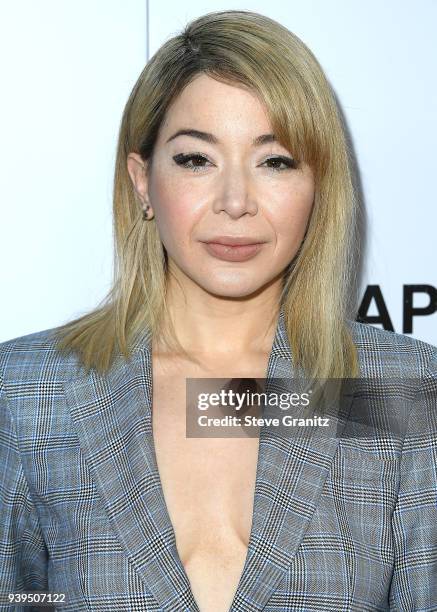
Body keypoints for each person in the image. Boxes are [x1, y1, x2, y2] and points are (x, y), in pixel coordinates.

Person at [1, 9, 436, 612]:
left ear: (320, 186)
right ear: (142, 181)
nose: (236, 202)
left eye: (275, 161)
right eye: (196, 159)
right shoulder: (28, 390)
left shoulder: (398, 388)